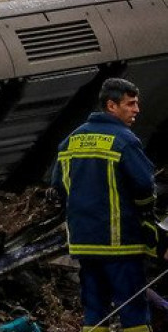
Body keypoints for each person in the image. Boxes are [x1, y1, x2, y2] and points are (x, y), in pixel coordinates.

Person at [51, 77, 159, 332]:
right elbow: (144, 187)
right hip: (120, 243)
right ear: (111, 106)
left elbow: (58, 187)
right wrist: (146, 215)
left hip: (84, 243)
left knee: (95, 312)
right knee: (133, 310)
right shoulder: (124, 140)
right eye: (130, 104)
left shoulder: (71, 141)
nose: (136, 110)